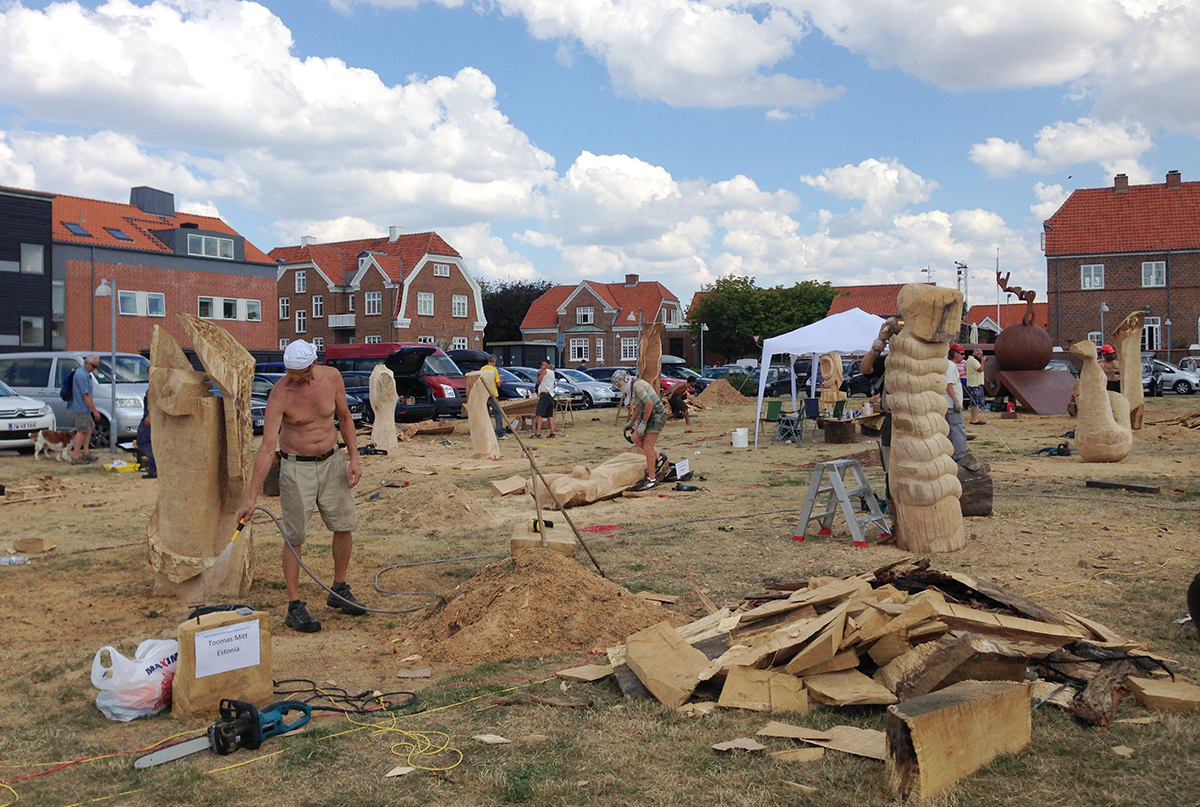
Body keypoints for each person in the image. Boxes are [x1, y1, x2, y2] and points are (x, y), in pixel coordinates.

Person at [237, 340, 364, 634]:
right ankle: (294, 606)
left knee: (344, 525)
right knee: (295, 536)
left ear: (314, 364)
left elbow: (344, 417)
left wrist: (354, 458)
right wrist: (251, 497)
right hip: (296, 468)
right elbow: (267, 448)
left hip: (332, 461)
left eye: (301, 373)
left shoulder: (332, 377)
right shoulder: (280, 394)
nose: (296, 379)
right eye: (291, 374)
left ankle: (340, 589)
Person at [612, 369, 669, 490]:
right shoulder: (631, 389)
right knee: (635, 437)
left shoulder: (637, 386)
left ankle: (652, 479)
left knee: (648, 446)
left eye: (618, 385)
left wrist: (643, 423)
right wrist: (632, 422)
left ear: (623, 381)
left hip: (656, 414)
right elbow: (639, 407)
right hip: (646, 414)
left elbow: (649, 404)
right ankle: (659, 457)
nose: (618, 388)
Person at [861, 318, 897, 503]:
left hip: (917, 417)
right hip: (892, 418)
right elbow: (865, 368)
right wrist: (875, 349)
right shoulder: (887, 362)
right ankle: (892, 503)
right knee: (891, 465)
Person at [944, 345, 979, 470]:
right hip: (950, 404)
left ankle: (950, 453)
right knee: (958, 428)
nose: (963, 356)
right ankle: (960, 455)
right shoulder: (950, 365)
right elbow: (948, 384)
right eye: (961, 353)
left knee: (950, 429)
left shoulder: (947, 365)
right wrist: (956, 401)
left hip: (948, 404)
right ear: (954, 353)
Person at [69, 355, 102, 465]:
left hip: (85, 408)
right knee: (81, 431)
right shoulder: (81, 375)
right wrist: (95, 411)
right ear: (87, 364)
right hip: (81, 408)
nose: (95, 369)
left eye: (96, 366)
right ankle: (76, 456)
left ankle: (86, 452)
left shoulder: (86, 374)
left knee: (90, 427)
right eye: (93, 366)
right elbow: (86, 395)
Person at [479, 354, 508, 440]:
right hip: (492, 394)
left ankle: (485, 433)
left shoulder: (482, 369)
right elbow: (497, 384)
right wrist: (500, 380)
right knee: (498, 413)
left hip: (484, 394)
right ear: (494, 361)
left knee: (485, 414)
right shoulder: (494, 370)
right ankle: (499, 433)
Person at [533, 358, 557, 438]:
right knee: (550, 415)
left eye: (542, 364)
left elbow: (538, 381)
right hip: (550, 395)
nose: (541, 366)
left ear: (547, 365)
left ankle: (538, 432)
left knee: (539, 414)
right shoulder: (552, 373)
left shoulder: (544, 371)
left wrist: (539, 375)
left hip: (544, 395)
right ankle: (552, 432)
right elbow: (554, 384)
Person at [137, 392, 156, 479]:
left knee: (142, 442)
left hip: (150, 412)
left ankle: (155, 466)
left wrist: (149, 415)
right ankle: (152, 469)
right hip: (152, 410)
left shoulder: (154, 380)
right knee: (151, 441)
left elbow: (152, 395)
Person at [966, 349, 987, 424]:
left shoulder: (970, 360)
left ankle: (974, 418)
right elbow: (980, 369)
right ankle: (974, 419)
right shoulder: (973, 361)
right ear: (978, 354)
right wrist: (983, 361)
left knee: (975, 401)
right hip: (975, 384)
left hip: (975, 383)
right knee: (976, 402)